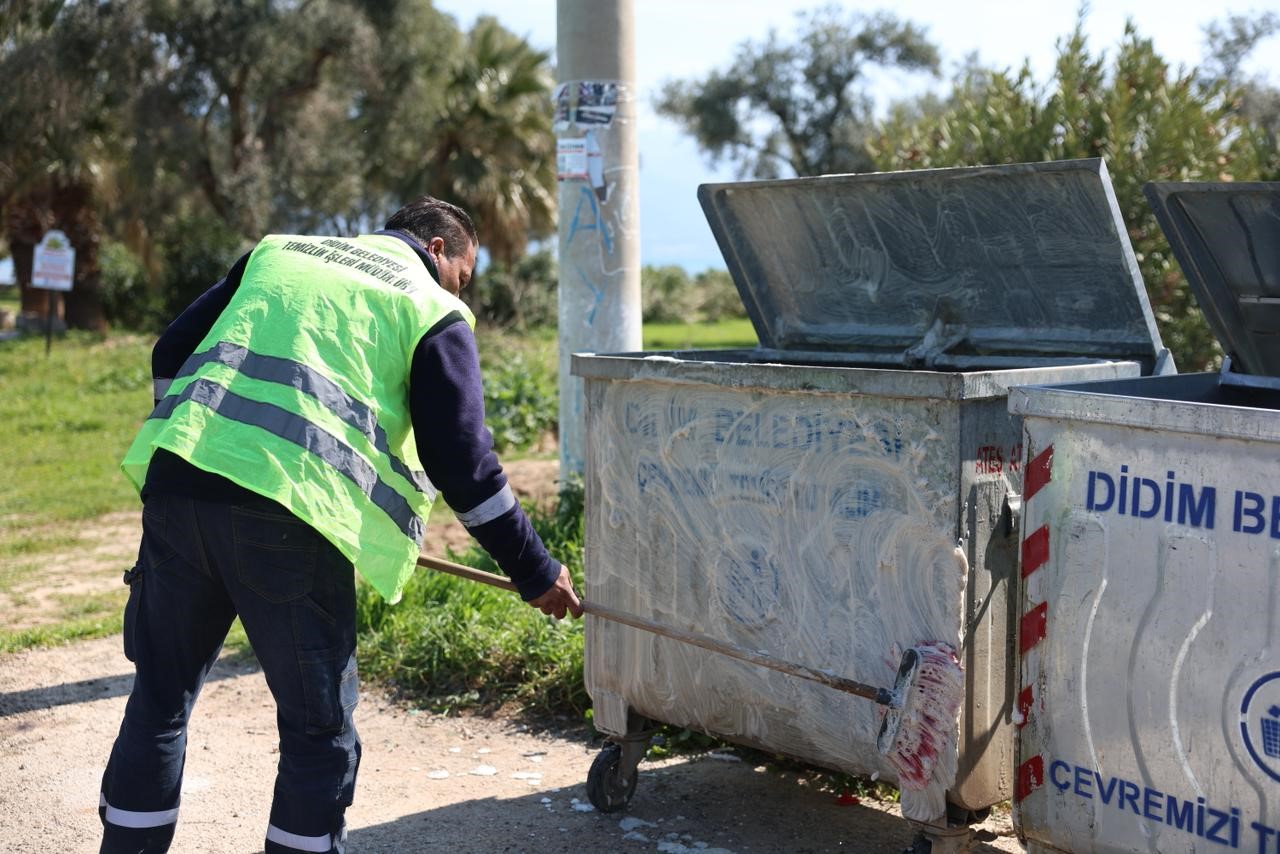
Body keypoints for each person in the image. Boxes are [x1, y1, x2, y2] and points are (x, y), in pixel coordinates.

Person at [99, 196, 583, 854]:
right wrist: (534, 569)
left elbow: (173, 347)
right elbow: (465, 465)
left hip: (180, 492)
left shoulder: (279, 251)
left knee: (159, 704)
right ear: (439, 249)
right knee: (316, 732)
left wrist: (191, 451)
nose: (461, 290)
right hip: (291, 519)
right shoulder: (430, 306)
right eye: (465, 275)